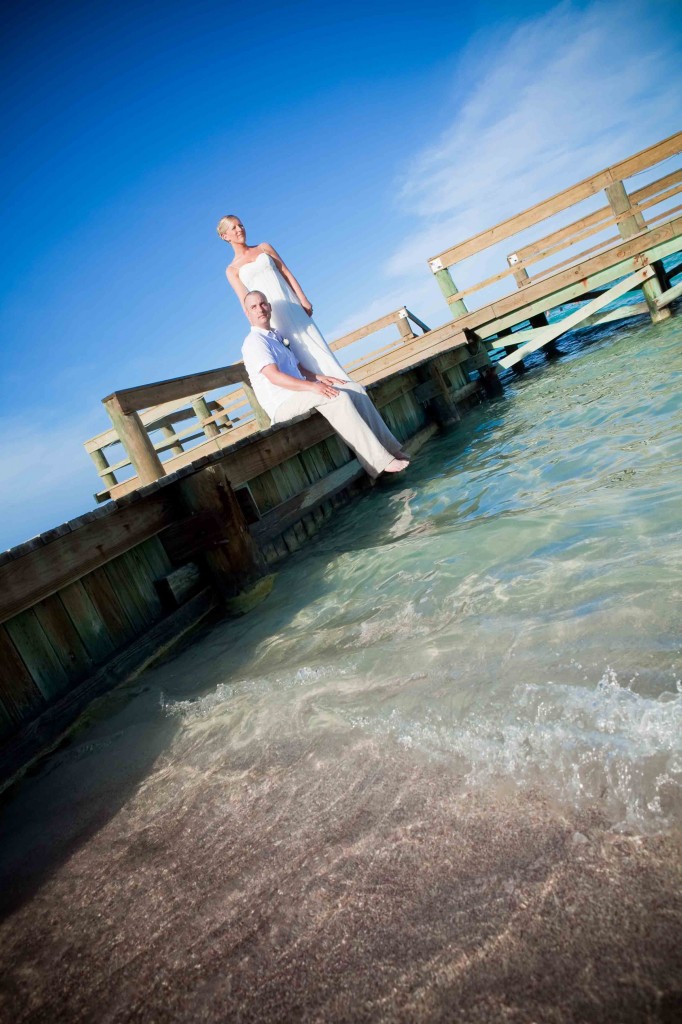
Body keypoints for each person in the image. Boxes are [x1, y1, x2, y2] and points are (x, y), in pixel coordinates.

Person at [241, 291, 409, 478]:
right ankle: (378, 461)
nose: (260, 309)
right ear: (247, 313)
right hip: (282, 403)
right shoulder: (255, 342)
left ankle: (390, 449)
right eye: (254, 307)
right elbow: (274, 377)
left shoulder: (276, 336)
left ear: (269, 307)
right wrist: (313, 387)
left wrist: (321, 378)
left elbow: (298, 369)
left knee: (354, 388)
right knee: (337, 397)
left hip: (300, 394)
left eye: (263, 304)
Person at [217, 214, 350, 381]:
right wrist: (261, 330)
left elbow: (286, 273)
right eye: (234, 227)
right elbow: (246, 302)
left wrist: (303, 299)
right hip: (271, 317)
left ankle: (343, 383)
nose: (240, 229)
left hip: (292, 306)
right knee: (296, 354)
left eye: (241, 225)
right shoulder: (232, 270)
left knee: (316, 345)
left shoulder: (264, 247)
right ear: (225, 236)